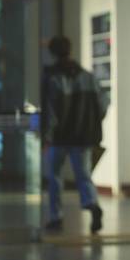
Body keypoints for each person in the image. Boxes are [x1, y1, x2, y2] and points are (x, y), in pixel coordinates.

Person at [41, 35, 108, 233]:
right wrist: (91, 123)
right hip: (83, 136)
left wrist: (47, 136)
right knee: (83, 175)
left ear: (53, 53)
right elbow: (103, 104)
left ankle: (56, 217)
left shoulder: (53, 77)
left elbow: (51, 112)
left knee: (54, 177)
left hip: (59, 137)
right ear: (70, 50)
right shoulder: (87, 76)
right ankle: (92, 204)